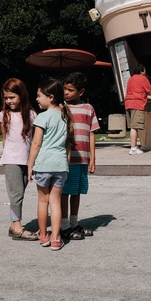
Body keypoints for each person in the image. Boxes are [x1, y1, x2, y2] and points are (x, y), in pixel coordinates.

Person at [27, 78, 74, 251]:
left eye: (39, 96)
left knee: (42, 201)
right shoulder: (65, 116)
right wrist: (65, 164)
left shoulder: (42, 117)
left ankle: (43, 235)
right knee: (55, 202)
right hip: (60, 165)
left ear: (51, 97)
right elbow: (68, 144)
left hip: (44, 164)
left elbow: (36, 144)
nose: (37, 99)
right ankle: (56, 238)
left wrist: (30, 165)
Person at [0, 78, 38, 241]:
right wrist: (8, 156)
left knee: (19, 194)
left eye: (12, 97)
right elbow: (4, 138)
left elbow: (35, 141)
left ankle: (13, 225)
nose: (9, 101)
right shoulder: (4, 115)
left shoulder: (32, 114)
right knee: (16, 194)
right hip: (12, 160)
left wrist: (33, 162)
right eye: (6, 98)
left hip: (26, 161)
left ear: (21, 95)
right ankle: (17, 226)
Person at [61, 72, 100, 240]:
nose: (66, 93)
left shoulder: (88, 109)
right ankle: (63, 226)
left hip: (82, 158)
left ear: (81, 92)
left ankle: (74, 222)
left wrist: (92, 157)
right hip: (66, 158)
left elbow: (92, 133)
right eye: (65, 89)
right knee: (64, 192)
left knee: (76, 191)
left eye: (70, 90)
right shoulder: (62, 108)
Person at [125, 64, 151, 155]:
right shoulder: (143, 78)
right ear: (142, 71)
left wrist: (146, 96)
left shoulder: (130, 79)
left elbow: (136, 91)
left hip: (128, 103)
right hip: (137, 104)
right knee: (135, 127)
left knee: (132, 126)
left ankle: (133, 147)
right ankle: (133, 148)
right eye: (145, 70)